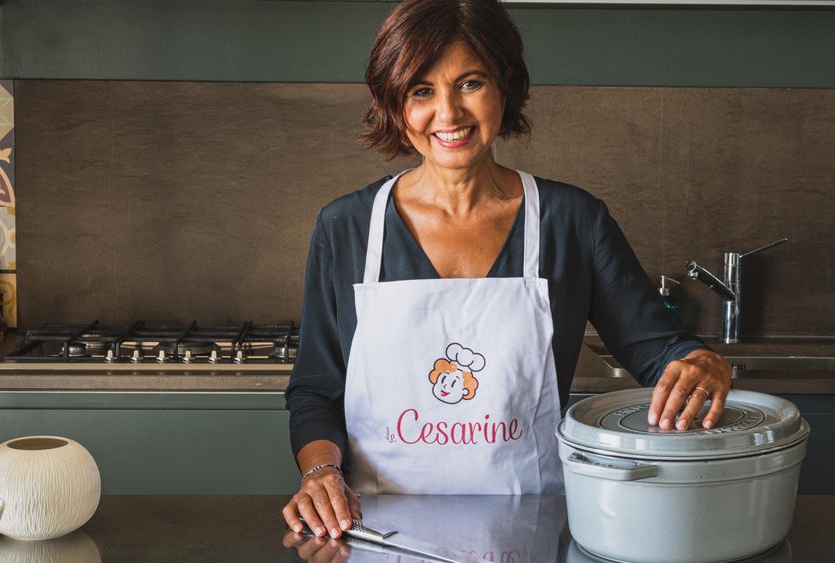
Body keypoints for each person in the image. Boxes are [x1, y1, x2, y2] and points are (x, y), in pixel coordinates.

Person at [282, 0, 732, 542]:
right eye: (421, 91)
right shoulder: (346, 227)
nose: (448, 114)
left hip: (531, 527)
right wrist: (320, 473)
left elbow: (658, 352)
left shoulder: (573, 221)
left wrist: (701, 361)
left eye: (469, 83)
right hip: (375, 530)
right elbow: (315, 390)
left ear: (506, 85)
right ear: (395, 103)